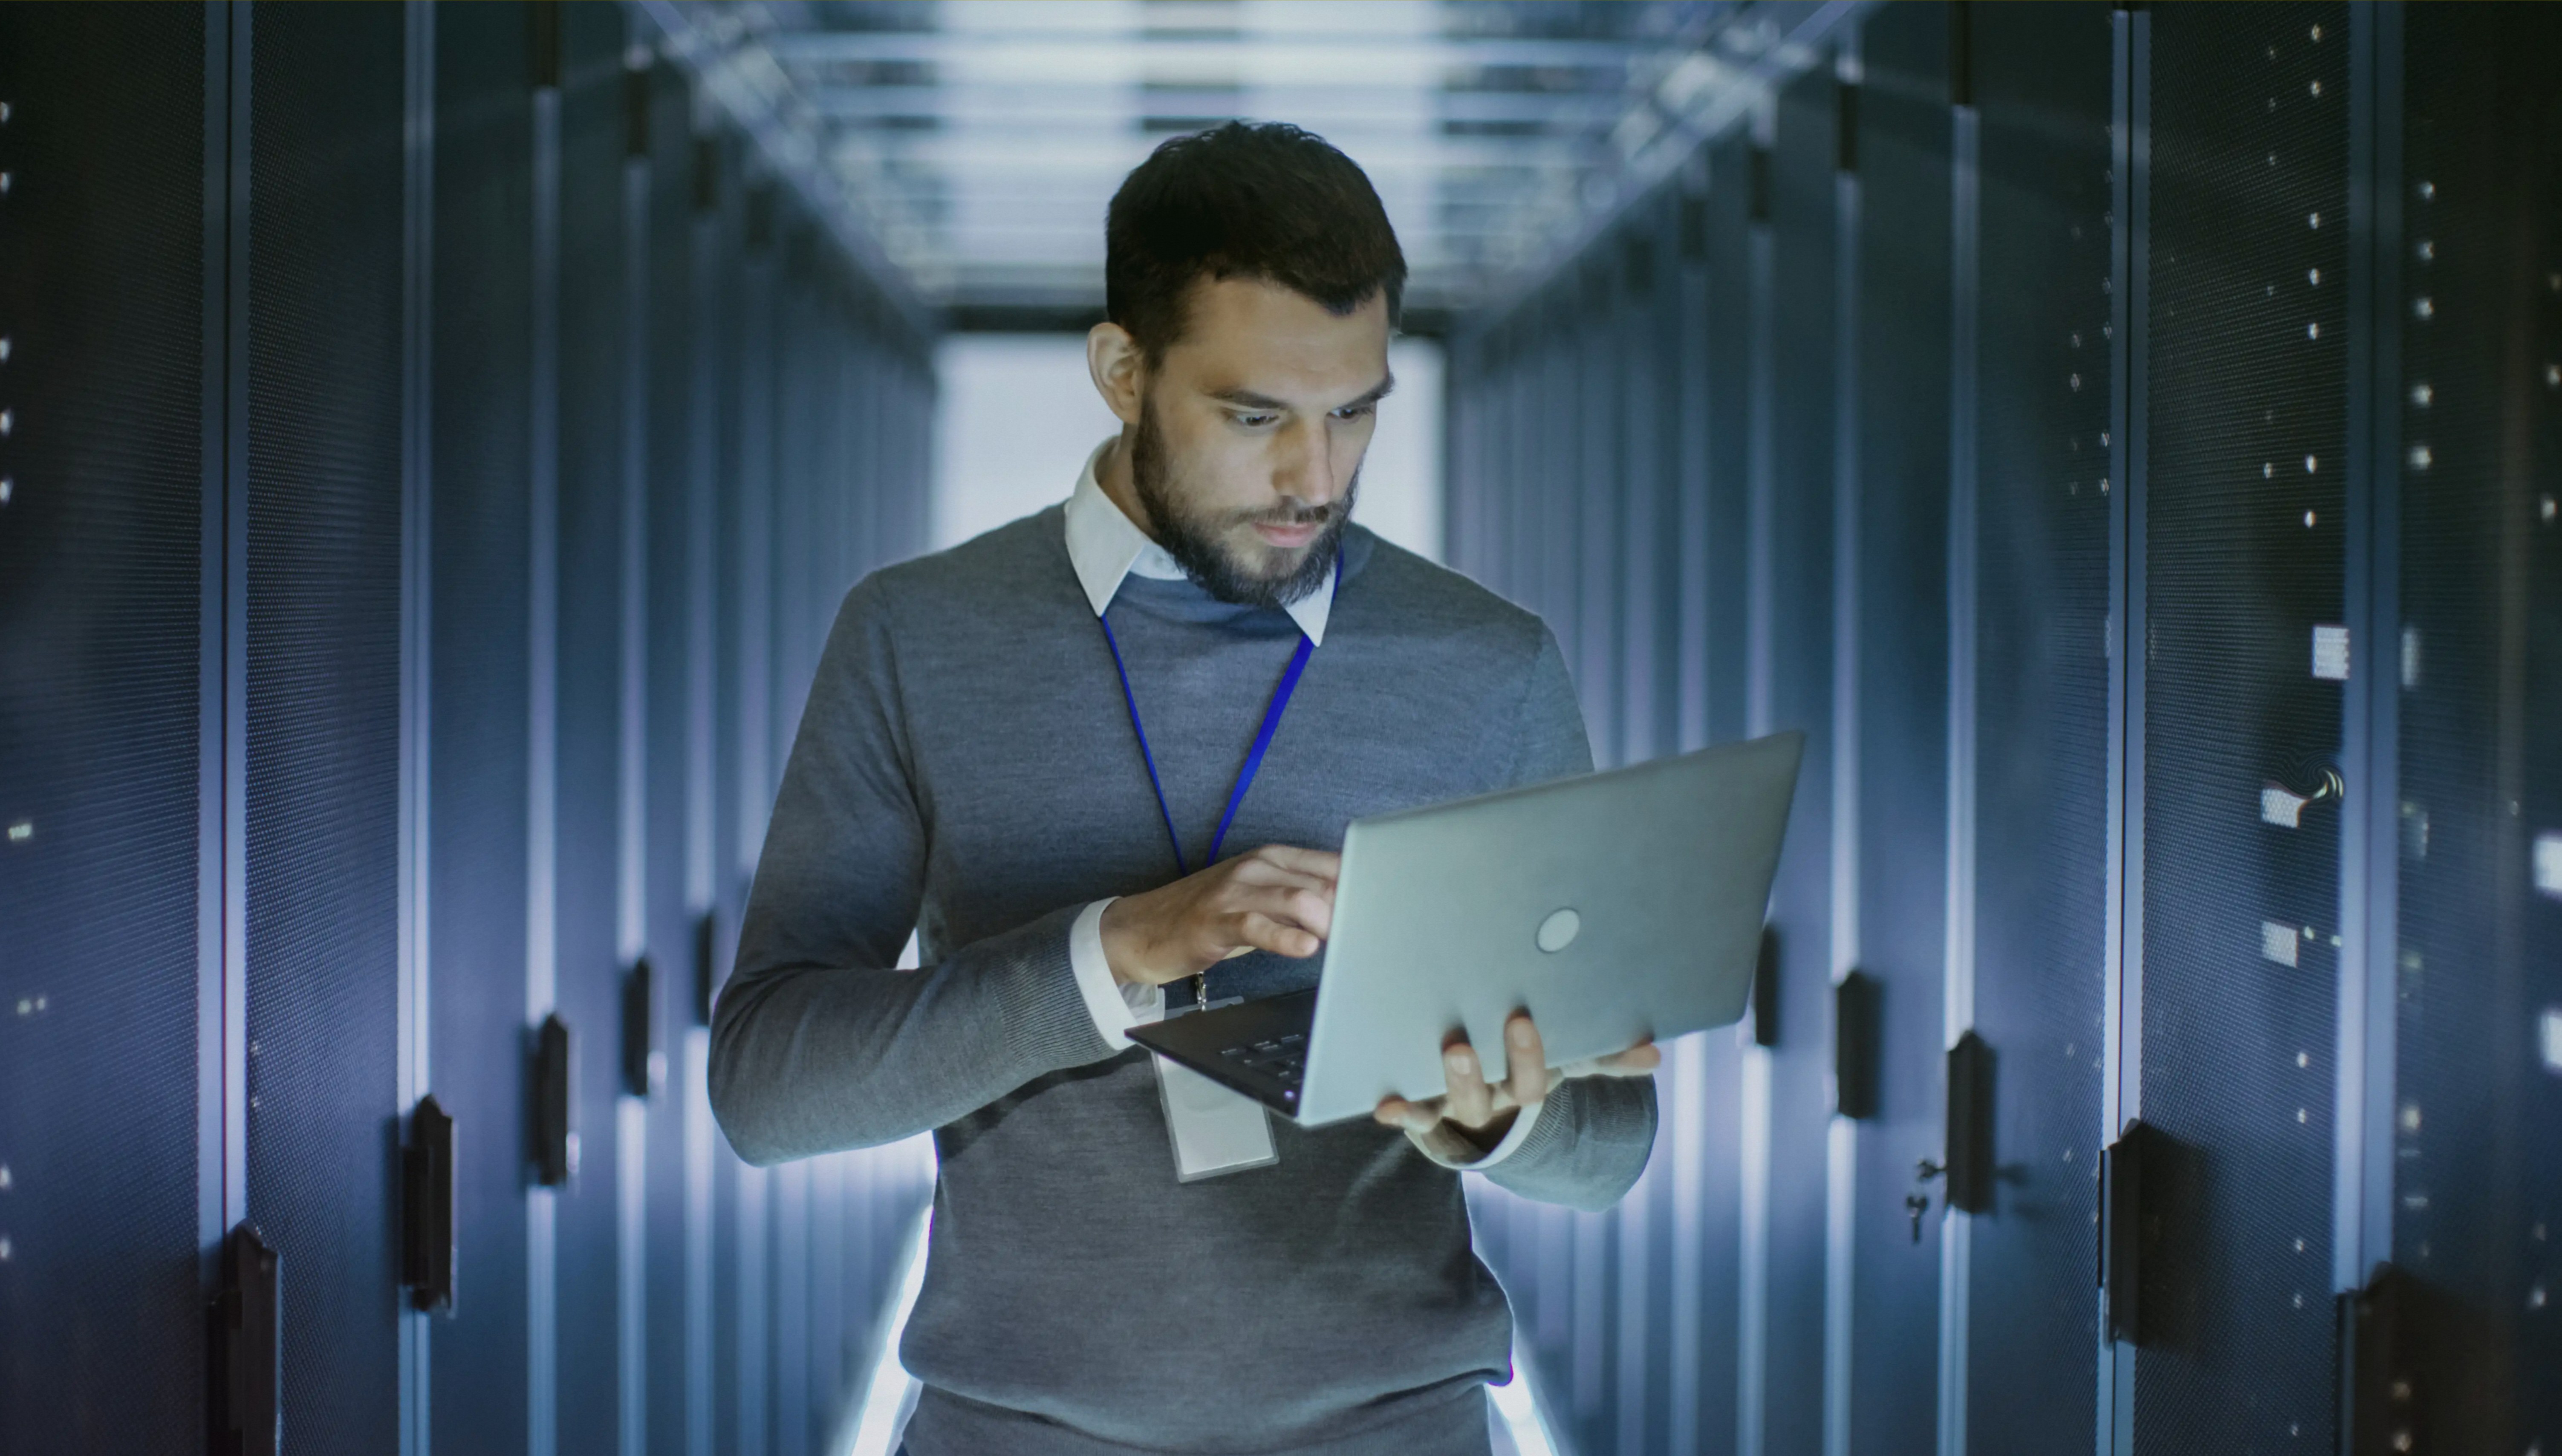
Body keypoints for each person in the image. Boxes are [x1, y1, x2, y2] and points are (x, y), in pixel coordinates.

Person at [710, 120, 1658, 1456]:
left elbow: (1614, 1143)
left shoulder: (1488, 666)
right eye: (1255, 416)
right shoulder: (916, 637)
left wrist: (1503, 1123)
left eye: (1355, 412)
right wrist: (1109, 955)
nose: (1312, 480)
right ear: (1120, 371)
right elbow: (768, 1092)